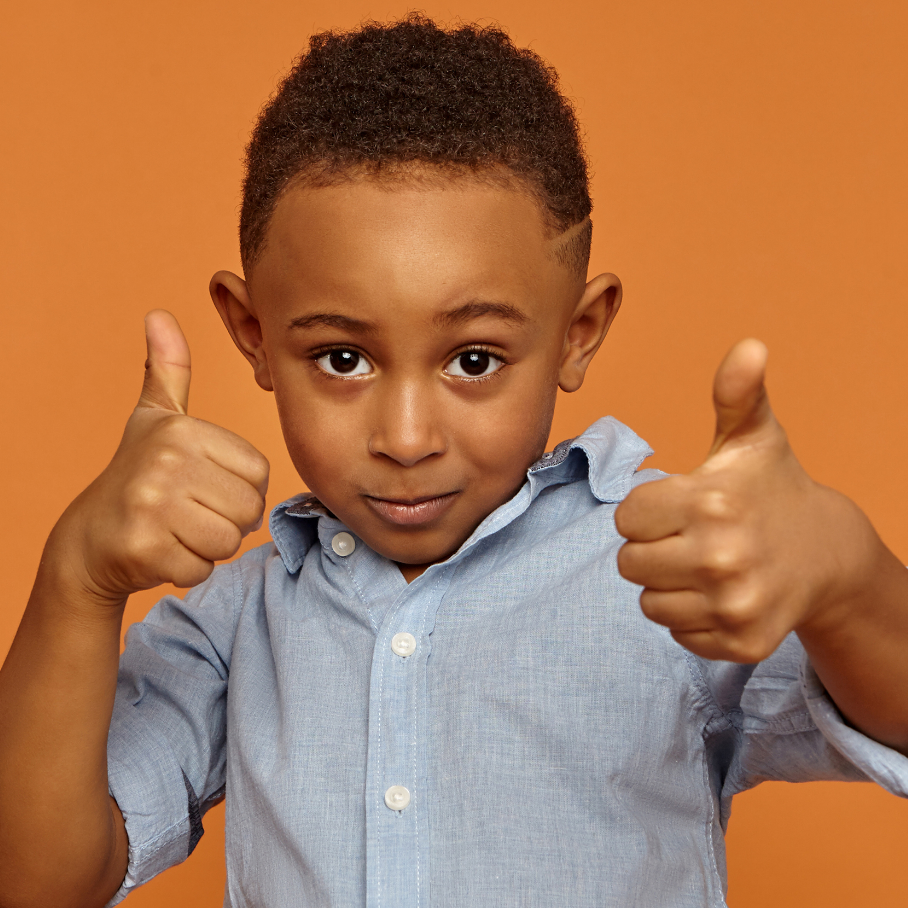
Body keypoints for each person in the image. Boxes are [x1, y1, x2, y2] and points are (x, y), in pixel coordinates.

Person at [1, 14, 907, 908]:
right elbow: (39, 879)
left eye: (474, 360)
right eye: (342, 359)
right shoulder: (236, 627)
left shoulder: (668, 572)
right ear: (254, 334)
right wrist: (77, 577)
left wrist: (845, 572)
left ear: (577, 334)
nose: (404, 435)